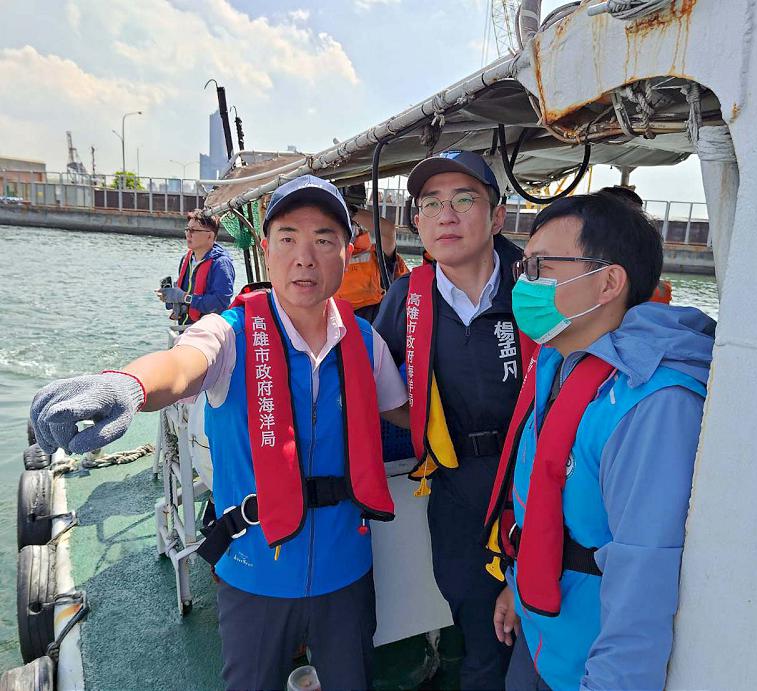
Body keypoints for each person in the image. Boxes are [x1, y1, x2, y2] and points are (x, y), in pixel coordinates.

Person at [30, 175, 410, 690]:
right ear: (266, 250)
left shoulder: (366, 342)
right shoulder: (228, 333)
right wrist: (128, 385)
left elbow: (405, 414)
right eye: (288, 238)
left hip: (347, 573)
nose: (305, 258)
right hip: (254, 573)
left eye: (324, 240)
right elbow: (181, 365)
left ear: (347, 253)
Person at [485, 192, 715, 690]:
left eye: (542, 267)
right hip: (540, 632)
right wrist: (517, 586)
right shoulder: (559, 360)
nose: (524, 283)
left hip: (588, 665)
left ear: (608, 282)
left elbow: (644, 575)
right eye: (525, 266)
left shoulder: (654, 405)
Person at [374, 150, 529, 689]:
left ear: (497, 215)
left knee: (547, 626)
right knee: (479, 627)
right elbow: (374, 380)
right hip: (456, 486)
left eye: (465, 200)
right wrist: (420, 425)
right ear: (417, 222)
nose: (446, 216)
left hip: (537, 482)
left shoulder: (536, 288)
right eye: (431, 204)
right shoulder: (406, 297)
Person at [335, 184, 409, 322]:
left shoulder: (379, 256)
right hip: (336, 322)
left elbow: (388, 230)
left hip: (374, 325)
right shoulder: (324, 254)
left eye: (351, 223)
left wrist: (349, 211)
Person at [158, 210, 235, 325]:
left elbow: (220, 304)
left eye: (193, 230)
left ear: (210, 236)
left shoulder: (221, 264)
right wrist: (170, 298)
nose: (188, 234)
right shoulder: (186, 259)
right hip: (185, 329)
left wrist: (185, 298)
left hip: (207, 331)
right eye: (187, 229)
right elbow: (182, 295)